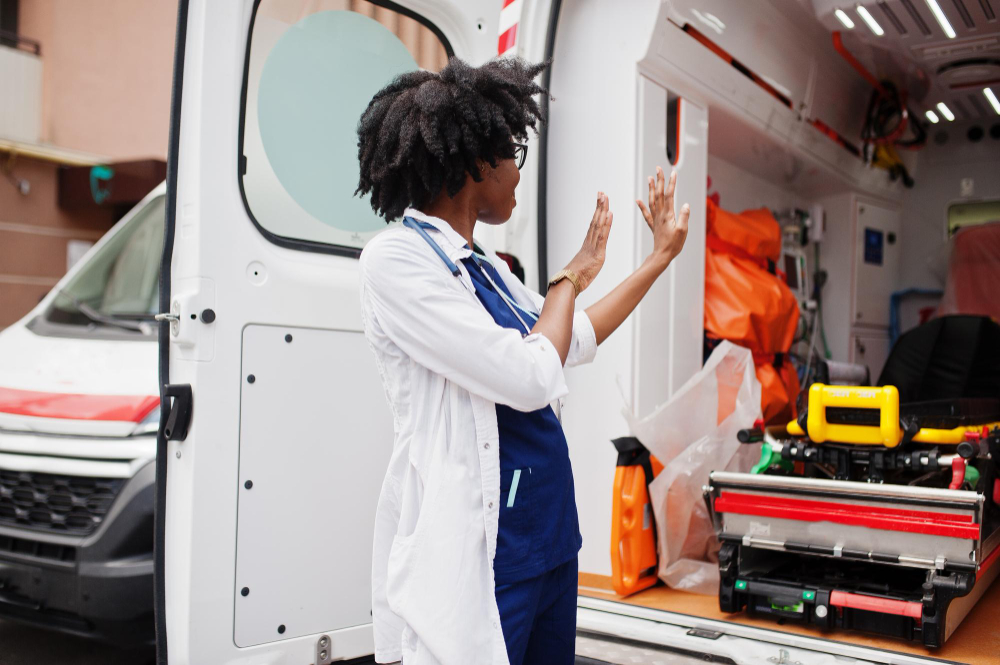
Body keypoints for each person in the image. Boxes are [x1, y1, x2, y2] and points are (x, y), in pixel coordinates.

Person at [356, 57, 689, 665]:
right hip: (491, 554)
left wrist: (658, 258)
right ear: (478, 163)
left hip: (550, 539)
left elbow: (575, 337)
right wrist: (570, 277)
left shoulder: (485, 268)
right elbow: (531, 375)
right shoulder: (396, 261)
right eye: (513, 155)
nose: (516, 174)